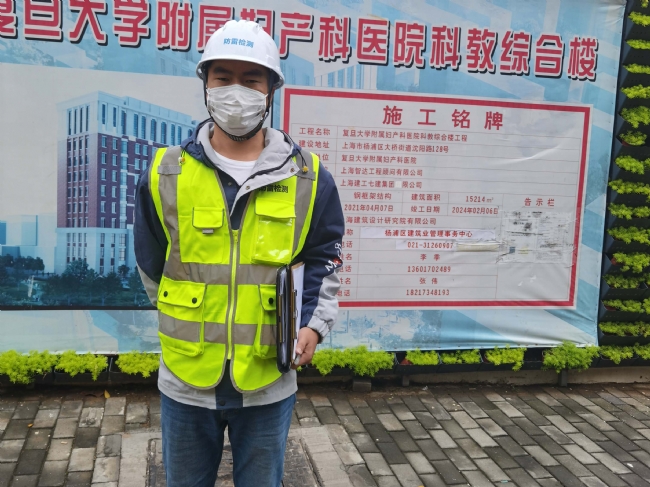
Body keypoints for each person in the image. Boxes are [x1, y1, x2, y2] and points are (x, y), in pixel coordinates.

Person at [133, 19, 344, 487]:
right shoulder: (166, 172)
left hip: (267, 378)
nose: (236, 92)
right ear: (205, 85)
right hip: (186, 377)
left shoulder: (308, 177)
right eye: (223, 77)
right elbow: (151, 263)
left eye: (251, 80)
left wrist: (314, 324)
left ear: (271, 90)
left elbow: (324, 256)